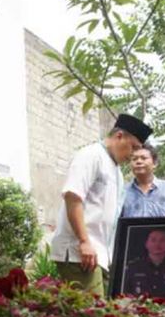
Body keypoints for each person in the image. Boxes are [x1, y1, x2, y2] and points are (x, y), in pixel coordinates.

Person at [49, 114, 149, 296]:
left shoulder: (116, 171)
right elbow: (73, 197)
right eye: (133, 147)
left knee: (98, 315)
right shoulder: (91, 155)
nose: (133, 154)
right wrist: (84, 241)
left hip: (100, 255)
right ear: (119, 136)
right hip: (79, 251)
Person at [120, 144, 165, 218]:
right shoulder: (122, 191)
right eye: (134, 159)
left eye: (143, 158)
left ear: (155, 163)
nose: (138, 162)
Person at [120, 228, 165, 299]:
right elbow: (124, 294)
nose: (157, 244)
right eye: (153, 240)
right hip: (137, 309)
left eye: (162, 240)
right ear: (146, 244)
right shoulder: (133, 267)